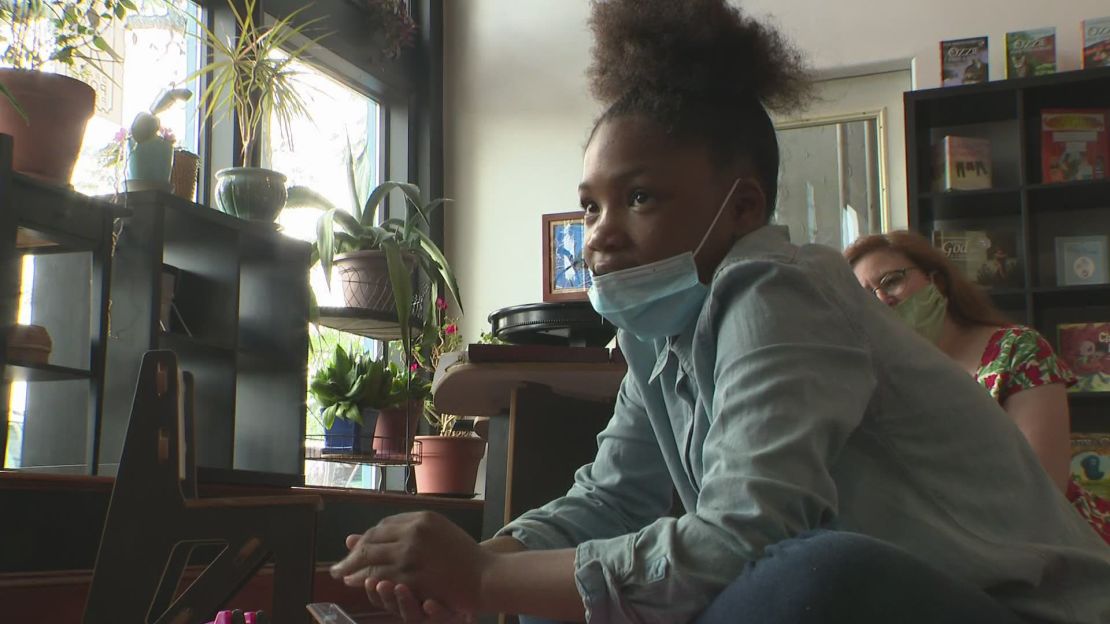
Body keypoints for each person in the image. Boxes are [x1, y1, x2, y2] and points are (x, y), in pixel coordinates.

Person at [329, 2, 1110, 623]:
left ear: (741, 208)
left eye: (639, 197)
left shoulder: (781, 287)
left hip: (1019, 609)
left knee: (809, 572)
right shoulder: (658, 332)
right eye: (590, 204)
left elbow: (748, 535)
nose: (600, 232)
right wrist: (479, 562)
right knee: (552, 591)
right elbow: (613, 495)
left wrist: (489, 576)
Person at [845, 230, 1110, 545]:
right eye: (865, 297)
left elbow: (1044, 487)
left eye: (891, 281)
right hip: (955, 551)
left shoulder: (1018, 349)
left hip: (1057, 546)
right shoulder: (883, 384)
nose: (883, 300)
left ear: (937, 281)